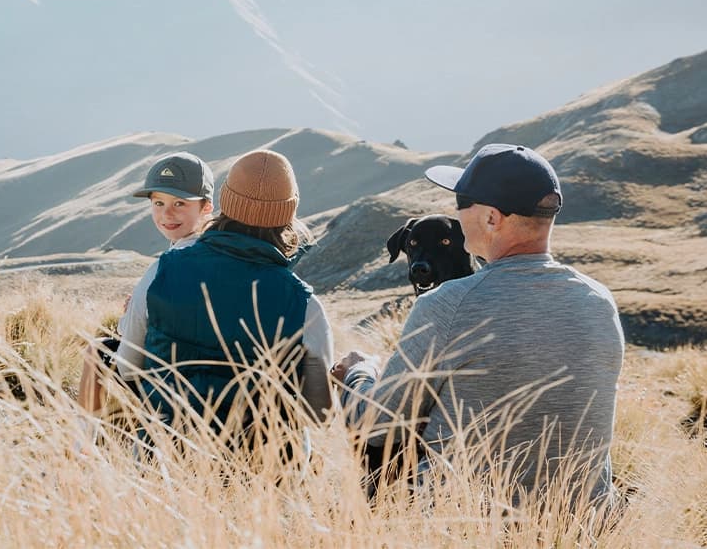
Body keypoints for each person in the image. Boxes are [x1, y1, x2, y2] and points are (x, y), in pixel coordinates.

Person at [333, 143, 625, 505]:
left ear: (491, 218)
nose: (456, 214)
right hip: (583, 522)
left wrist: (358, 374)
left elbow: (378, 426)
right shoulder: (599, 301)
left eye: (461, 205)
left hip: (466, 522)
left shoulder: (448, 304)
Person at [118, 149, 333, 444]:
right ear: (288, 214)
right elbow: (318, 412)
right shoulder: (304, 304)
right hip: (266, 479)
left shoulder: (162, 272)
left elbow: (127, 367)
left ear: (223, 203)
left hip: (164, 465)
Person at [78, 151, 214, 418]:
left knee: (98, 350)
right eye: (159, 203)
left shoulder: (161, 270)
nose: (167, 214)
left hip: (174, 393)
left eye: (179, 204)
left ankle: (81, 449)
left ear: (206, 206)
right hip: (226, 387)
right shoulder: (224, 251)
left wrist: (127, 319)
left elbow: (129, 367)